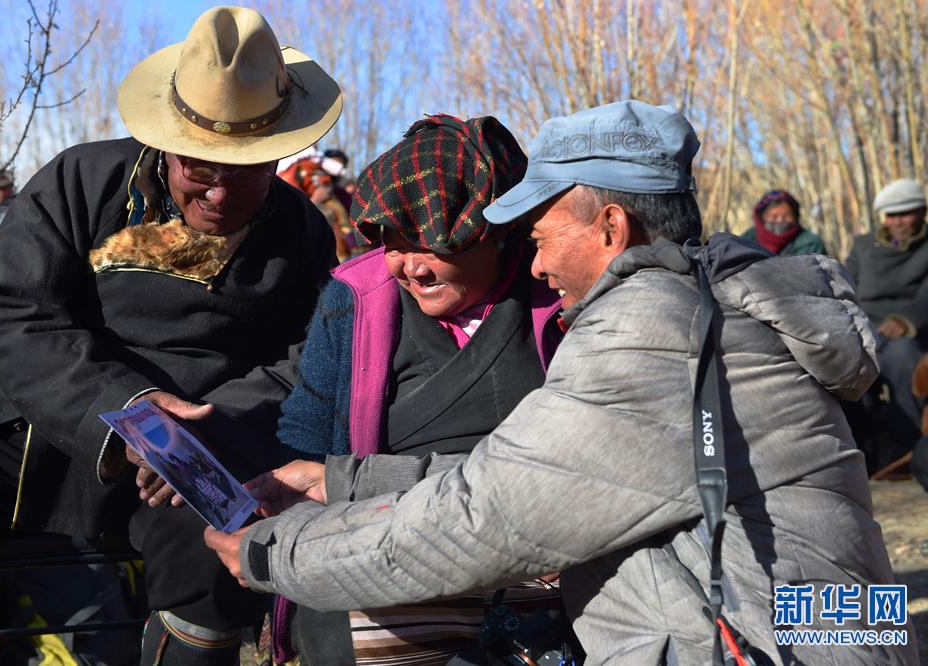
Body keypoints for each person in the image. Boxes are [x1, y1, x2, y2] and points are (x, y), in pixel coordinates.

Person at [206, 101, 914, 664]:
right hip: (826, 631)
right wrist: (341, 483)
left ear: (610, 228)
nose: (535, 268)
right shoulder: (709, 304)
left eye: (540, 239)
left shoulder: (650, 332)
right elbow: (552, 473)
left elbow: (485, 518)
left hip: (770, 644)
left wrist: (279, 553)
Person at [0, 6, 342, 666]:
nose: (218, 192)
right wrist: (128, 412)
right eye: (199, 167)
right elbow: (13, 316)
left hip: (191, 459)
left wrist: (205, 429)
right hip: (27, 424)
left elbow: (310, 363)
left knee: (220, 554)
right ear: (170, 141)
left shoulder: (304, 235)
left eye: (243, 169)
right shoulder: (81, 181)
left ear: (277, 155)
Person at [267, 114, 564, 665]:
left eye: (430, 243)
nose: (409, 267)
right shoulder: (356, 300)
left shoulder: (559, 297)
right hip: (391, 544)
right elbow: (306, 437)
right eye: (390, 243)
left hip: (542, 555)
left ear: (495, 232)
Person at [845, 178, 928, 469]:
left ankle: (913, 448)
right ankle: (863, 452)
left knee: (903, 358)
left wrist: (905, 320)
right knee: (845, 362)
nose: (898, 221)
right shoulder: (864, 246)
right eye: (892, 215)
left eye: (906, 213)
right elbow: (843, 285)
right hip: (862, 327)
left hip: (911, 333)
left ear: (922, 212)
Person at [741, 189, 826, 255]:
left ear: (795, 217)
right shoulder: (745, 241)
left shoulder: (810, 243)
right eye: (774, 217)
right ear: (762, 218)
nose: (780, 220)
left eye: (786, 216)